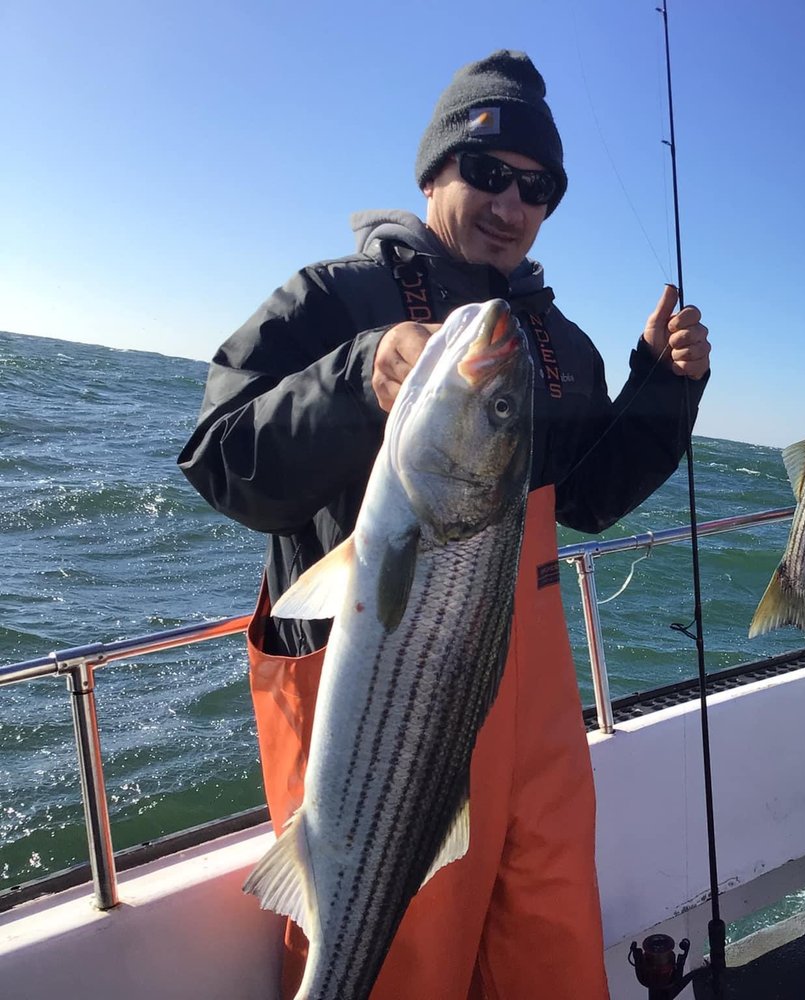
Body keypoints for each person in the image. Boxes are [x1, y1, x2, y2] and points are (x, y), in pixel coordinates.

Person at [178, 49, 710, 1000]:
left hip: (527, 713)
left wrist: (663, 390)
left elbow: (584, 498)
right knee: (395, 960)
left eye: (537, 189)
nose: (511, 205)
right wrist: (355, 376)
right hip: (377, 701)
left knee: (544, 945)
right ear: (432, 172)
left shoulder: (553, 343)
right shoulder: (327, 301)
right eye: (487, 173)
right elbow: (222, 460)